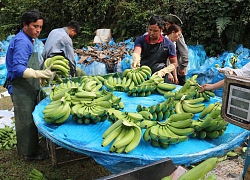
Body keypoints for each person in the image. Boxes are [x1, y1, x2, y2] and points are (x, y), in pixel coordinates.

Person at [4, 10, 55, 161]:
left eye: (40, 27)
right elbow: (18, 68)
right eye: (35, 26)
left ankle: (31, 148)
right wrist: (40, 74)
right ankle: (29, 154)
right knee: (26, 120)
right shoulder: (22, 41)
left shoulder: (28, 38)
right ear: (25, 25)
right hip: (21, 87)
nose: (38, 30)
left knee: (30, 118)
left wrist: (37, 76)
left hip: (26, 85)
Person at [131, 15, 178, 84]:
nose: (151, 33)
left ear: (161, 30)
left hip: (160, 76)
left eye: (155, 31)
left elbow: (174, 63)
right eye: (150, 30)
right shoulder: (141, 40)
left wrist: (164, 71)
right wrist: (136, 58)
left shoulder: (168, 44)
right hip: (143, 74)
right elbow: (137, 50)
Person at [162, 14, 189, 86]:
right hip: (170, 69)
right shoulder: (166, 39)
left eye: (167, 25)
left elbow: (184, 52)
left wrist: (183, 67)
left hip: (179, 68)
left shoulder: (177, 36)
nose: (166, 27)